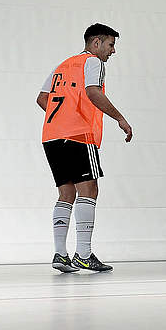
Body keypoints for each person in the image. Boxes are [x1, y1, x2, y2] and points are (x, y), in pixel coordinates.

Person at [37, 23, 133, 273]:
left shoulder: (63, 65)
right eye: (111, 45)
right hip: (78, 135)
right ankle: (84, 254)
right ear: (96, 43)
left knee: (66, 194)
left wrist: (61, 118)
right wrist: (120, 118)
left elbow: (42, 98)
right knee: (89, 190)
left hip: (52, 136)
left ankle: (60, 254)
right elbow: (92, 92)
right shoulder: (93, 62)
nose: (113, 51)